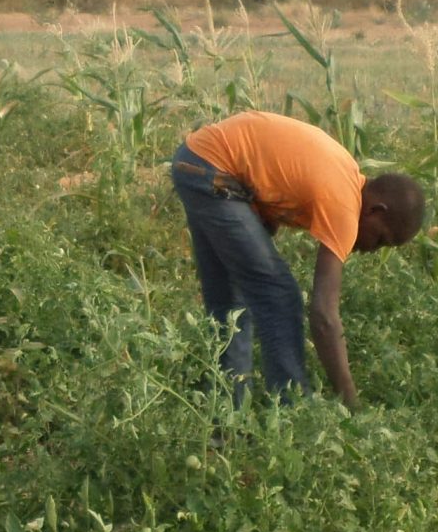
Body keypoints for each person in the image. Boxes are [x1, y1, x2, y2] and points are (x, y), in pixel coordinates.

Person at [168, 109, 425, 407]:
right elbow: (324, 316)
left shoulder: (345, 176)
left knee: (229, 304)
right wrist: (351, 402)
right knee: (279, 295)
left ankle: (224, 420)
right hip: (214, 172)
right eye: (380, 239)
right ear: (375, 211)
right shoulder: (344, 205)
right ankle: (290, 411)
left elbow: (275, 182)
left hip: (197, 160)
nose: (371, 250)